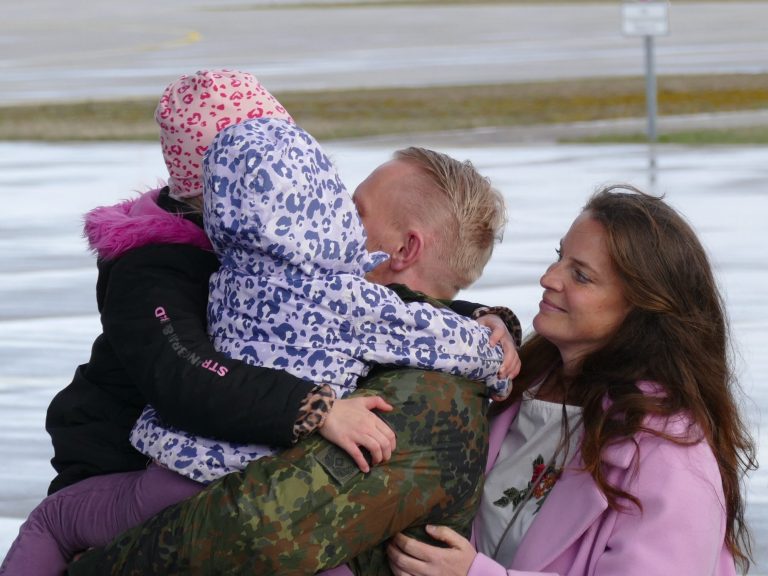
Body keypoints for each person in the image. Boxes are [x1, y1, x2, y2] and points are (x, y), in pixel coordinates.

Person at [2, 72, 519, 575]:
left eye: (349, 206)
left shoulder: (244, 263)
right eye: (335, 198)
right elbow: (183, 374)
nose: (334, 209)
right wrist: (317, 409)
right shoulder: (162, 266)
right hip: (120, 457)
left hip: (195, 473)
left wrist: (487, 318)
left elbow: (396, 313)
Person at [385, 185, 758, 576]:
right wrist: (481, 321)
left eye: (581, 276)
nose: (549, 278)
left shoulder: (672, 454)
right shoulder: (518, 382)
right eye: (559, 257)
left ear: (642, 308)